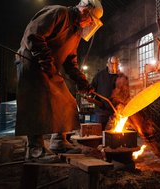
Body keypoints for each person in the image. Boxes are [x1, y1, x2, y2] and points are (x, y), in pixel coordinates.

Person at [15, 0, 103, 161]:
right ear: (84, 9)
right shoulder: (59, 13)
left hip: (48, 67)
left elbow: (70, 61)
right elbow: (33, 35)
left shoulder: (76, 32)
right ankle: (34, 150)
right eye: (90, 19)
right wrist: (45, 60)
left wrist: (81, 81)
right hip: (31, 63)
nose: (90, 23)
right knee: (36, 103)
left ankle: (58, 141)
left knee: (67, 102)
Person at [90, 56, 130, 130]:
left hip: (116, 111)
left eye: (116, 64)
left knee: (115, 133)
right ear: (107, 64)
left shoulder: (122, 77)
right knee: (99, 132)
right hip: (101, 110)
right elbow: (92, 89)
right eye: (112, 64)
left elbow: (126, 94)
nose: (114, 66)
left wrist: (124, 106)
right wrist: (92, 97)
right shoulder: (99, 76)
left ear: (118, 64)